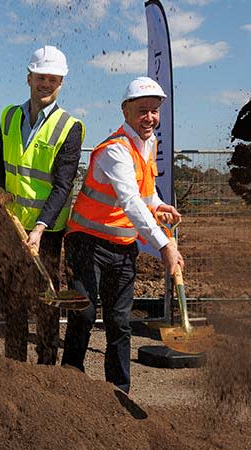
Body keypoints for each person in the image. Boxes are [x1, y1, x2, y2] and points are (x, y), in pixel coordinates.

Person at [60, 76, 184, 394]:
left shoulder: (148, 144)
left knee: (120, 322)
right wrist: (164, 245)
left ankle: (119, 393)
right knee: (84, 314)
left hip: (123, 246)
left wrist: (158, 205)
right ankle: (70, 384)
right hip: (87, 242)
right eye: (142, 111)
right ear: (125, 111)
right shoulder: (115, 150)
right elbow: (129, 201)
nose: (150, 118)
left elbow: (144, 194)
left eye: (154, 111)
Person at [0, 45, 84, 364]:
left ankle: (46, 367)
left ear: (61, 83)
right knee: (13, 296)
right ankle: (14, 365)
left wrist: (41, 228)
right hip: (12, 223)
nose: (46, 84)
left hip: (46, 230)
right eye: (40, 77)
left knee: (46, 299)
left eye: (53, 79)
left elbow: (63, 185)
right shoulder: (9, 116)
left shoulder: (69, 127)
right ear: (29, 78)